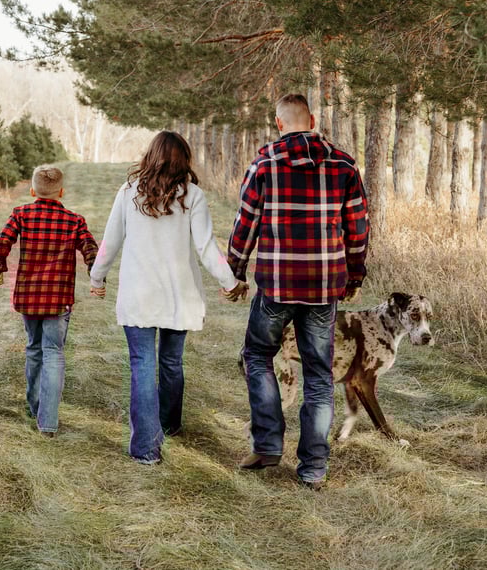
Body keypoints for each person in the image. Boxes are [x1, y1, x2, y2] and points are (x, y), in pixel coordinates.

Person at [228, 93, 369, 489]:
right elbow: (358, 229)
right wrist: (354, 277)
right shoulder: (343, 165)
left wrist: (235, 270)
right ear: (312, 120)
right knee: (319, 375)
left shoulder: (264, 164)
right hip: (324, 288)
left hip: (276, 284)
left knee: (257, 355)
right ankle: (313, 467)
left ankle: (269, 445)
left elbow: (245, 224)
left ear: (278, 123)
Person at [90, 131, 247, 465]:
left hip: (139, 296)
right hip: (179, 297)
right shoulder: (192, 196)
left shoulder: (129, 192)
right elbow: (207, 248)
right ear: (184, 160)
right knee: (171, 363)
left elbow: (110, 241)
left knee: (143, 367)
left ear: (151, 156)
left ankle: (147, 448)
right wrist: (229, 281)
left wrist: (97, 277)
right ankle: (169, 425)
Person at [0, 165, 98, 437]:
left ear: (33, 190)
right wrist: (97, 274)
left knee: (34, 349)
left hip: (29, 297)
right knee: (54, 353)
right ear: (61, 192)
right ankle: (47, 421)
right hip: (58, 300)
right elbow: (90, 249)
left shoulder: (21, 214)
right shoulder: (74, 220)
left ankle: (35, 406)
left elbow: (1, 245)